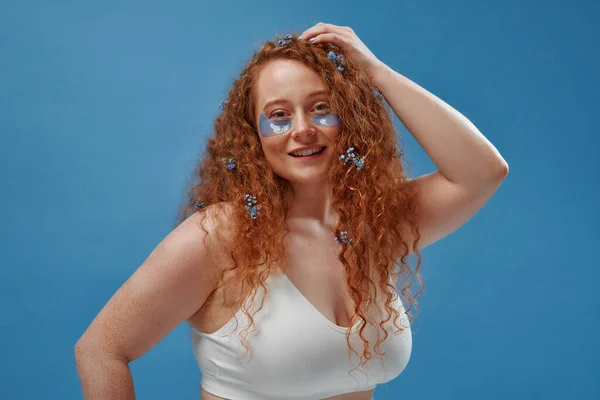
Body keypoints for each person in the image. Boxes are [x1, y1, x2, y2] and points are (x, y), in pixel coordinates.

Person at [75, 22, 508, 400]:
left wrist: (377, 73)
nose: (302, 129)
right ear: (254, 136)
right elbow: (100, 350)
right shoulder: (221, 236)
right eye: (278, 115)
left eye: (322, 108)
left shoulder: (374, 222)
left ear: (351, 118)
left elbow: (482, 172)